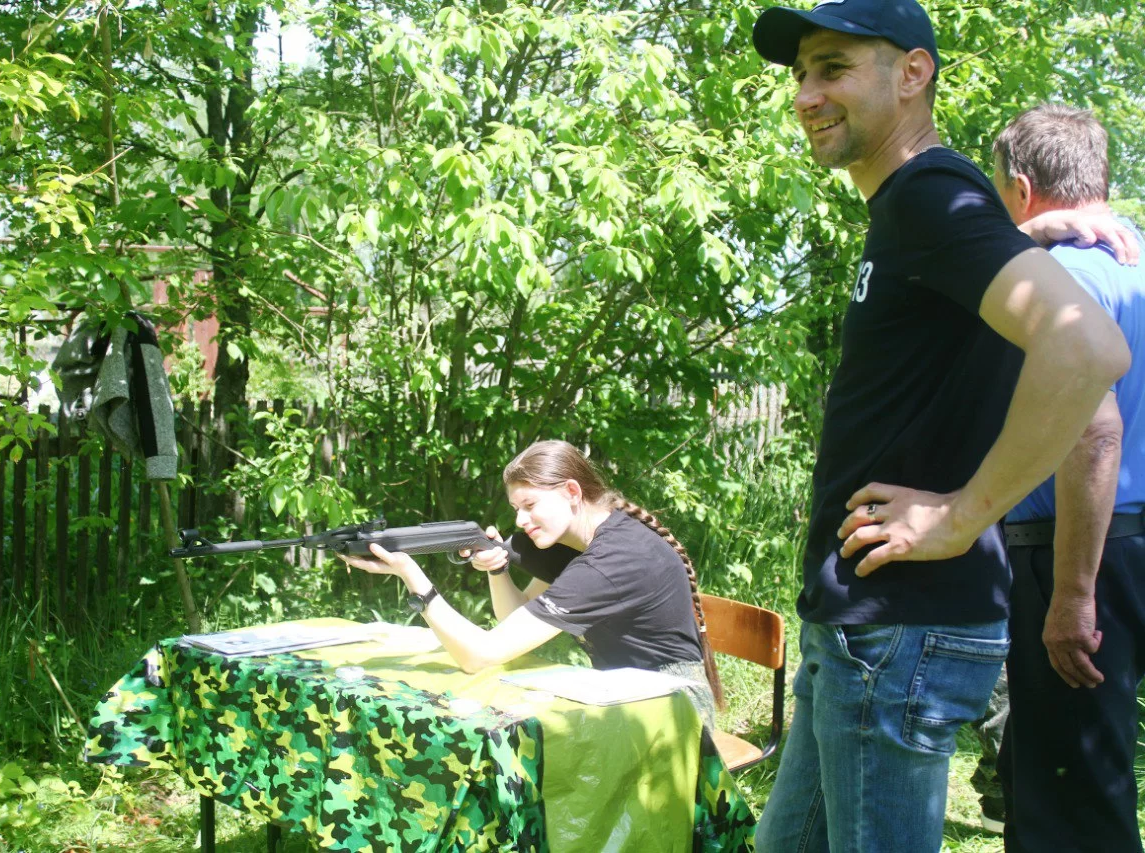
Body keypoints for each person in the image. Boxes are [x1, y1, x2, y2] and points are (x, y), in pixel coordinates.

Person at [749, 2, 1132, 851]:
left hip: (897, 632)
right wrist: (1020, 232)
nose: (806, 94)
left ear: (913, 73)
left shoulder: (929, 197)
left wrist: (963, 513)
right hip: (860, 629)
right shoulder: (929, 208)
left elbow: (1088, 348)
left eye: (834, 67)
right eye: (802, 74)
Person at [988, 104, 1145, 853]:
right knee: (1056, 777)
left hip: (1079, 547)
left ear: (1021, 188)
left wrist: (1073, 592)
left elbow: (1091, 432)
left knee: (1073, 802)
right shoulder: (1137, 269)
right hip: (1128, 545)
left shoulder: (1052, 283)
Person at [338, 439, 724, 728]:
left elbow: (479, 655)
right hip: (623, 694)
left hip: (672, 710)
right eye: (516, 509)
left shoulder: (609, 562)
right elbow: (514, 621)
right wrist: (497, 570)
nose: (520, 521)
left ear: (572, 492)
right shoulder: (581, 540)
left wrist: (412, 577)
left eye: (530, 506)